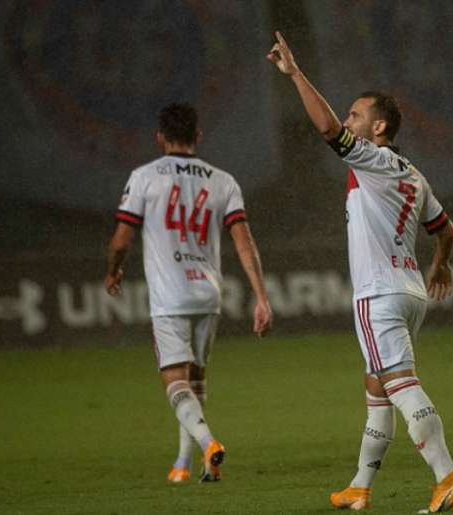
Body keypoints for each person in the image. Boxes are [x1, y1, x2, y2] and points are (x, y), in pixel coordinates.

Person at [267, 32, 453, 512]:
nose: (348, 119)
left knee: (399, 384)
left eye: (356, 115)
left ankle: (448, 477)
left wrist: (295, 74)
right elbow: (448, 230)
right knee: (377, 390)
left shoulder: (373, 159)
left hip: (378, 294)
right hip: (410, 292)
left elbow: (327, 131)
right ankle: (360, 485)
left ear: (379, 127)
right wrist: (440, 265)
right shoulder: (413, 174)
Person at [104, 102, 272, 483]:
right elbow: (245, 243)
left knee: (175, 380)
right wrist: (261, 295)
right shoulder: (223, 181)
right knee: (196, 376)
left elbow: (121, 239)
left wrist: (113, 270)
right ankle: (183, 463)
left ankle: (208, 443)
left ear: (160, 137)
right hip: (208, 294)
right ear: (198, 136)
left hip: (169, 296)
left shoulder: (145, 177)